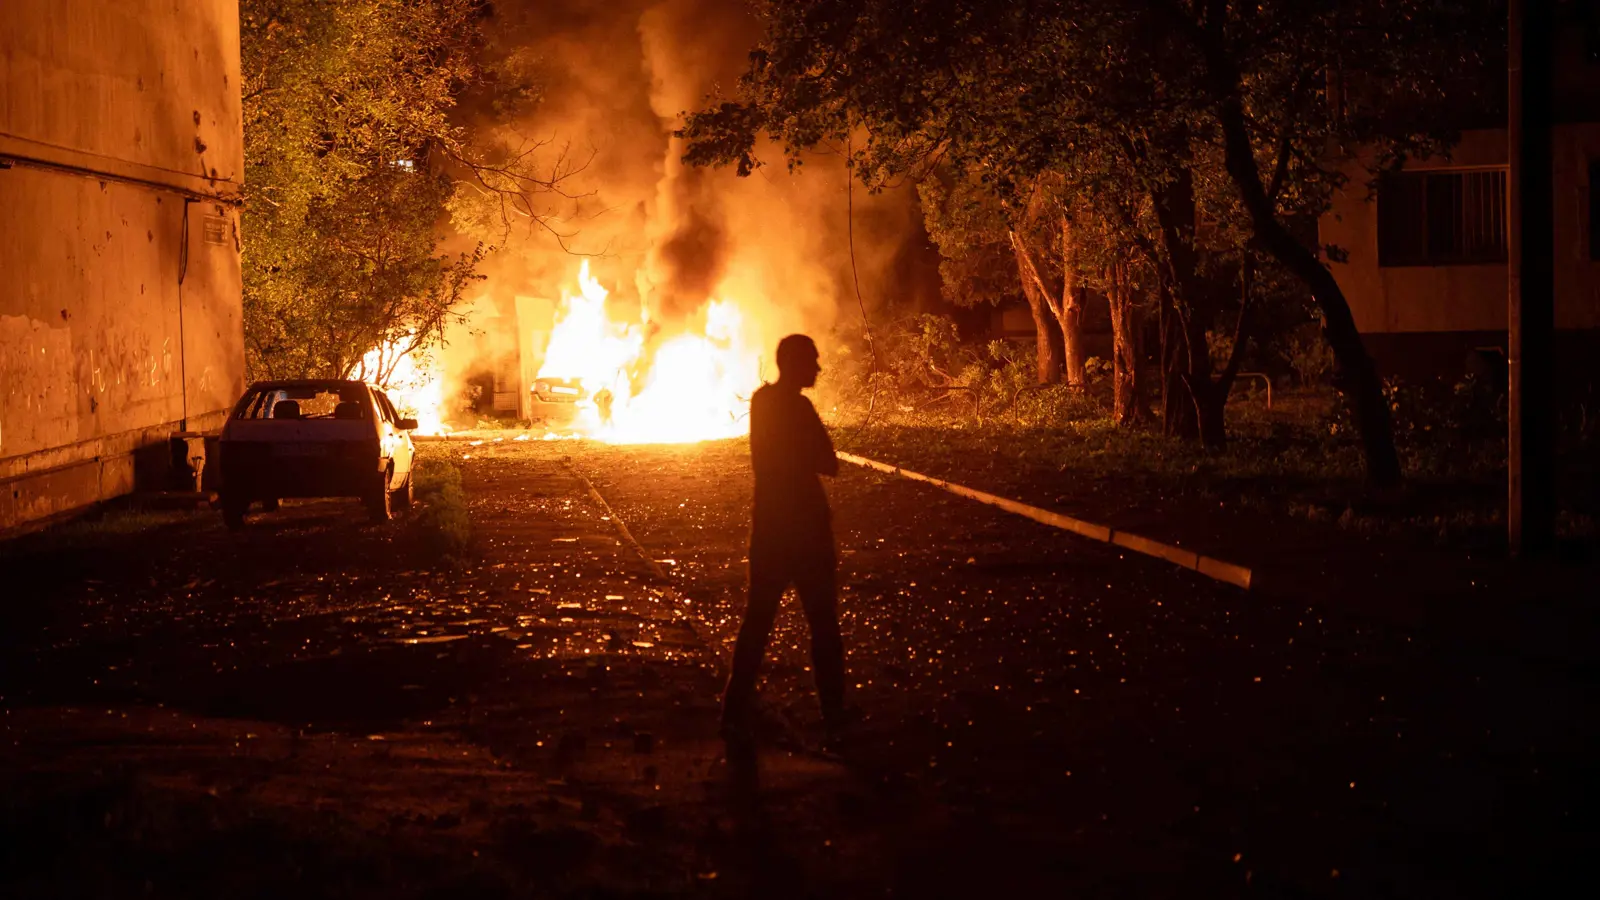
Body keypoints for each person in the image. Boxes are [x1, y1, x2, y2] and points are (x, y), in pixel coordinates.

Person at [722, 334, 846, 740]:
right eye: (812, 361)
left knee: (757, 620)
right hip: (807, 531)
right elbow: (829, 462)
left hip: (770, 527)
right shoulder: (799, 407)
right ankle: (834, 713)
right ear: (793, 363)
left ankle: (734, 707)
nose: (818, 368)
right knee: (823, 624)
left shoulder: (760, 403)